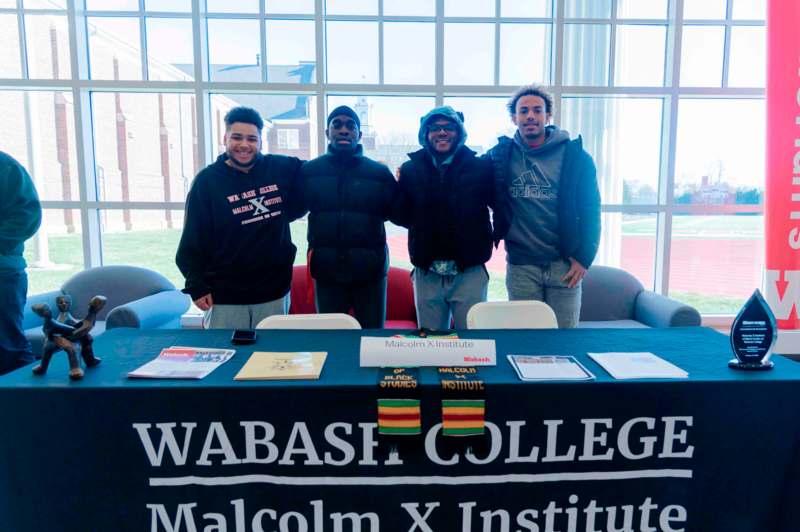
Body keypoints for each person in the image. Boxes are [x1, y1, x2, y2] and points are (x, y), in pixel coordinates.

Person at [176, 106, 303, 329]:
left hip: (273, 294)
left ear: (261, 142)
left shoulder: (281, 168)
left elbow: (321, 172)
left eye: (252, 139)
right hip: (225, 296)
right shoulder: (207, 182)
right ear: (225, 138)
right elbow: (192, 240)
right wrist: (197, 286)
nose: (244, 145)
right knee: (226, 357)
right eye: (237, 137)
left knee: (273, 359)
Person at [486, 85, 601, 328]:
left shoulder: (576, 157)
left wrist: (584, 258)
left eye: (537, 110)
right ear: (514, 118)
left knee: (564, 340)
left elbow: (591, 210)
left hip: (565, 264)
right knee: (527, 340)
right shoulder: (500, 155)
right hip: (521, 266)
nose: (530, 116)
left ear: (547, 116)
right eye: (524, 111)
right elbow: (468, 175)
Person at [294, 105, 398, 328]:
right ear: (327, 133)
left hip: (370, 273)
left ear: (359, 135)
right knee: (332, 339)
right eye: (337, 125)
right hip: (327, 272)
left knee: (372, 338)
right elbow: (294, 210)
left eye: (350, 126)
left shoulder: (379, 174)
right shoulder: (310, 171)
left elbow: (397, 213)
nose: (343, 130)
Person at [394, 106, 494, 330]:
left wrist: (491, 237)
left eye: (448, 127)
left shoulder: (481, 168)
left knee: (471, 343)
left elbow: (501, 204)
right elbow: (401, 216)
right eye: (435, 128)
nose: (442, 133)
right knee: (430, 345)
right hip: (427, 273)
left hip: (470, 272)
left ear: (459, 132)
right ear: (425, 134)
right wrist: (395, 189)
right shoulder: (410, 170)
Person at [0, 151, 42, 375]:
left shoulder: (5, 167)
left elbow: (27, 217)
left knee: (9, 349)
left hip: (2, 276)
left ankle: (30, 406)